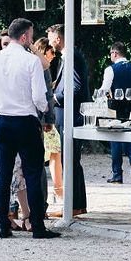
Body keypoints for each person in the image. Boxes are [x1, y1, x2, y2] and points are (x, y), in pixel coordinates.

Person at [0, 18, 59, 239]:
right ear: (24, 37)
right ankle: (37, 226)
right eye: (31, 36)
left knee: (3, 175)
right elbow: (39, 96)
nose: (31, 40)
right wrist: (42, 109)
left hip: (3, 121)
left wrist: (0, 104)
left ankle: (2, 226)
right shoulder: (31, 61)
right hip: (26, 121)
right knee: (33, 174)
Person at [48, 23, 89, 217]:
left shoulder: (72, 56)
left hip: (70, 115)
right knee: (72, 161)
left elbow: (76, 87)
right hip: (68, 115)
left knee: (69, 161)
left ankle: (72, 206)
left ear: (58, 38)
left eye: (50, 38)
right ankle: (78, 205)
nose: (49, 42)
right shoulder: (69, 56)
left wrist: (55, 97)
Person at [100, 42, 131, 184]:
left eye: (111, 54)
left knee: (115, 140)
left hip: (116, 109)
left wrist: (108, 97)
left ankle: (117, 175)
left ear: (115, 53)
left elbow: (104, 89)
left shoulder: (110, 69)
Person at [33, 37, 62, 200]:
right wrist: (49, 119)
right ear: (44, 51)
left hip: (39, 116)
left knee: (53, 153)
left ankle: (57, 190)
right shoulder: (43, 67)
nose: (54, 55)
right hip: (43, 117)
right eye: (52, 52)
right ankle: (57, 191)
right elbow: (45, 95)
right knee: (54, 153)